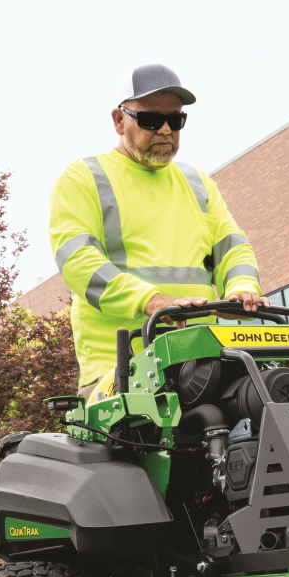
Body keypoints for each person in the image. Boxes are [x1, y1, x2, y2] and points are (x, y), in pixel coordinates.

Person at [49, 64, 267, 397]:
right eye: (151, 119)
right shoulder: (84, 178)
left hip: (201, 363)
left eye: (176, 120)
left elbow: (234, 248)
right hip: (120, 370)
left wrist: (241, 288)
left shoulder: (198, 184)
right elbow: (78, 261)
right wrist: (153, 301)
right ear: (119, 121)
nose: (165, 129)